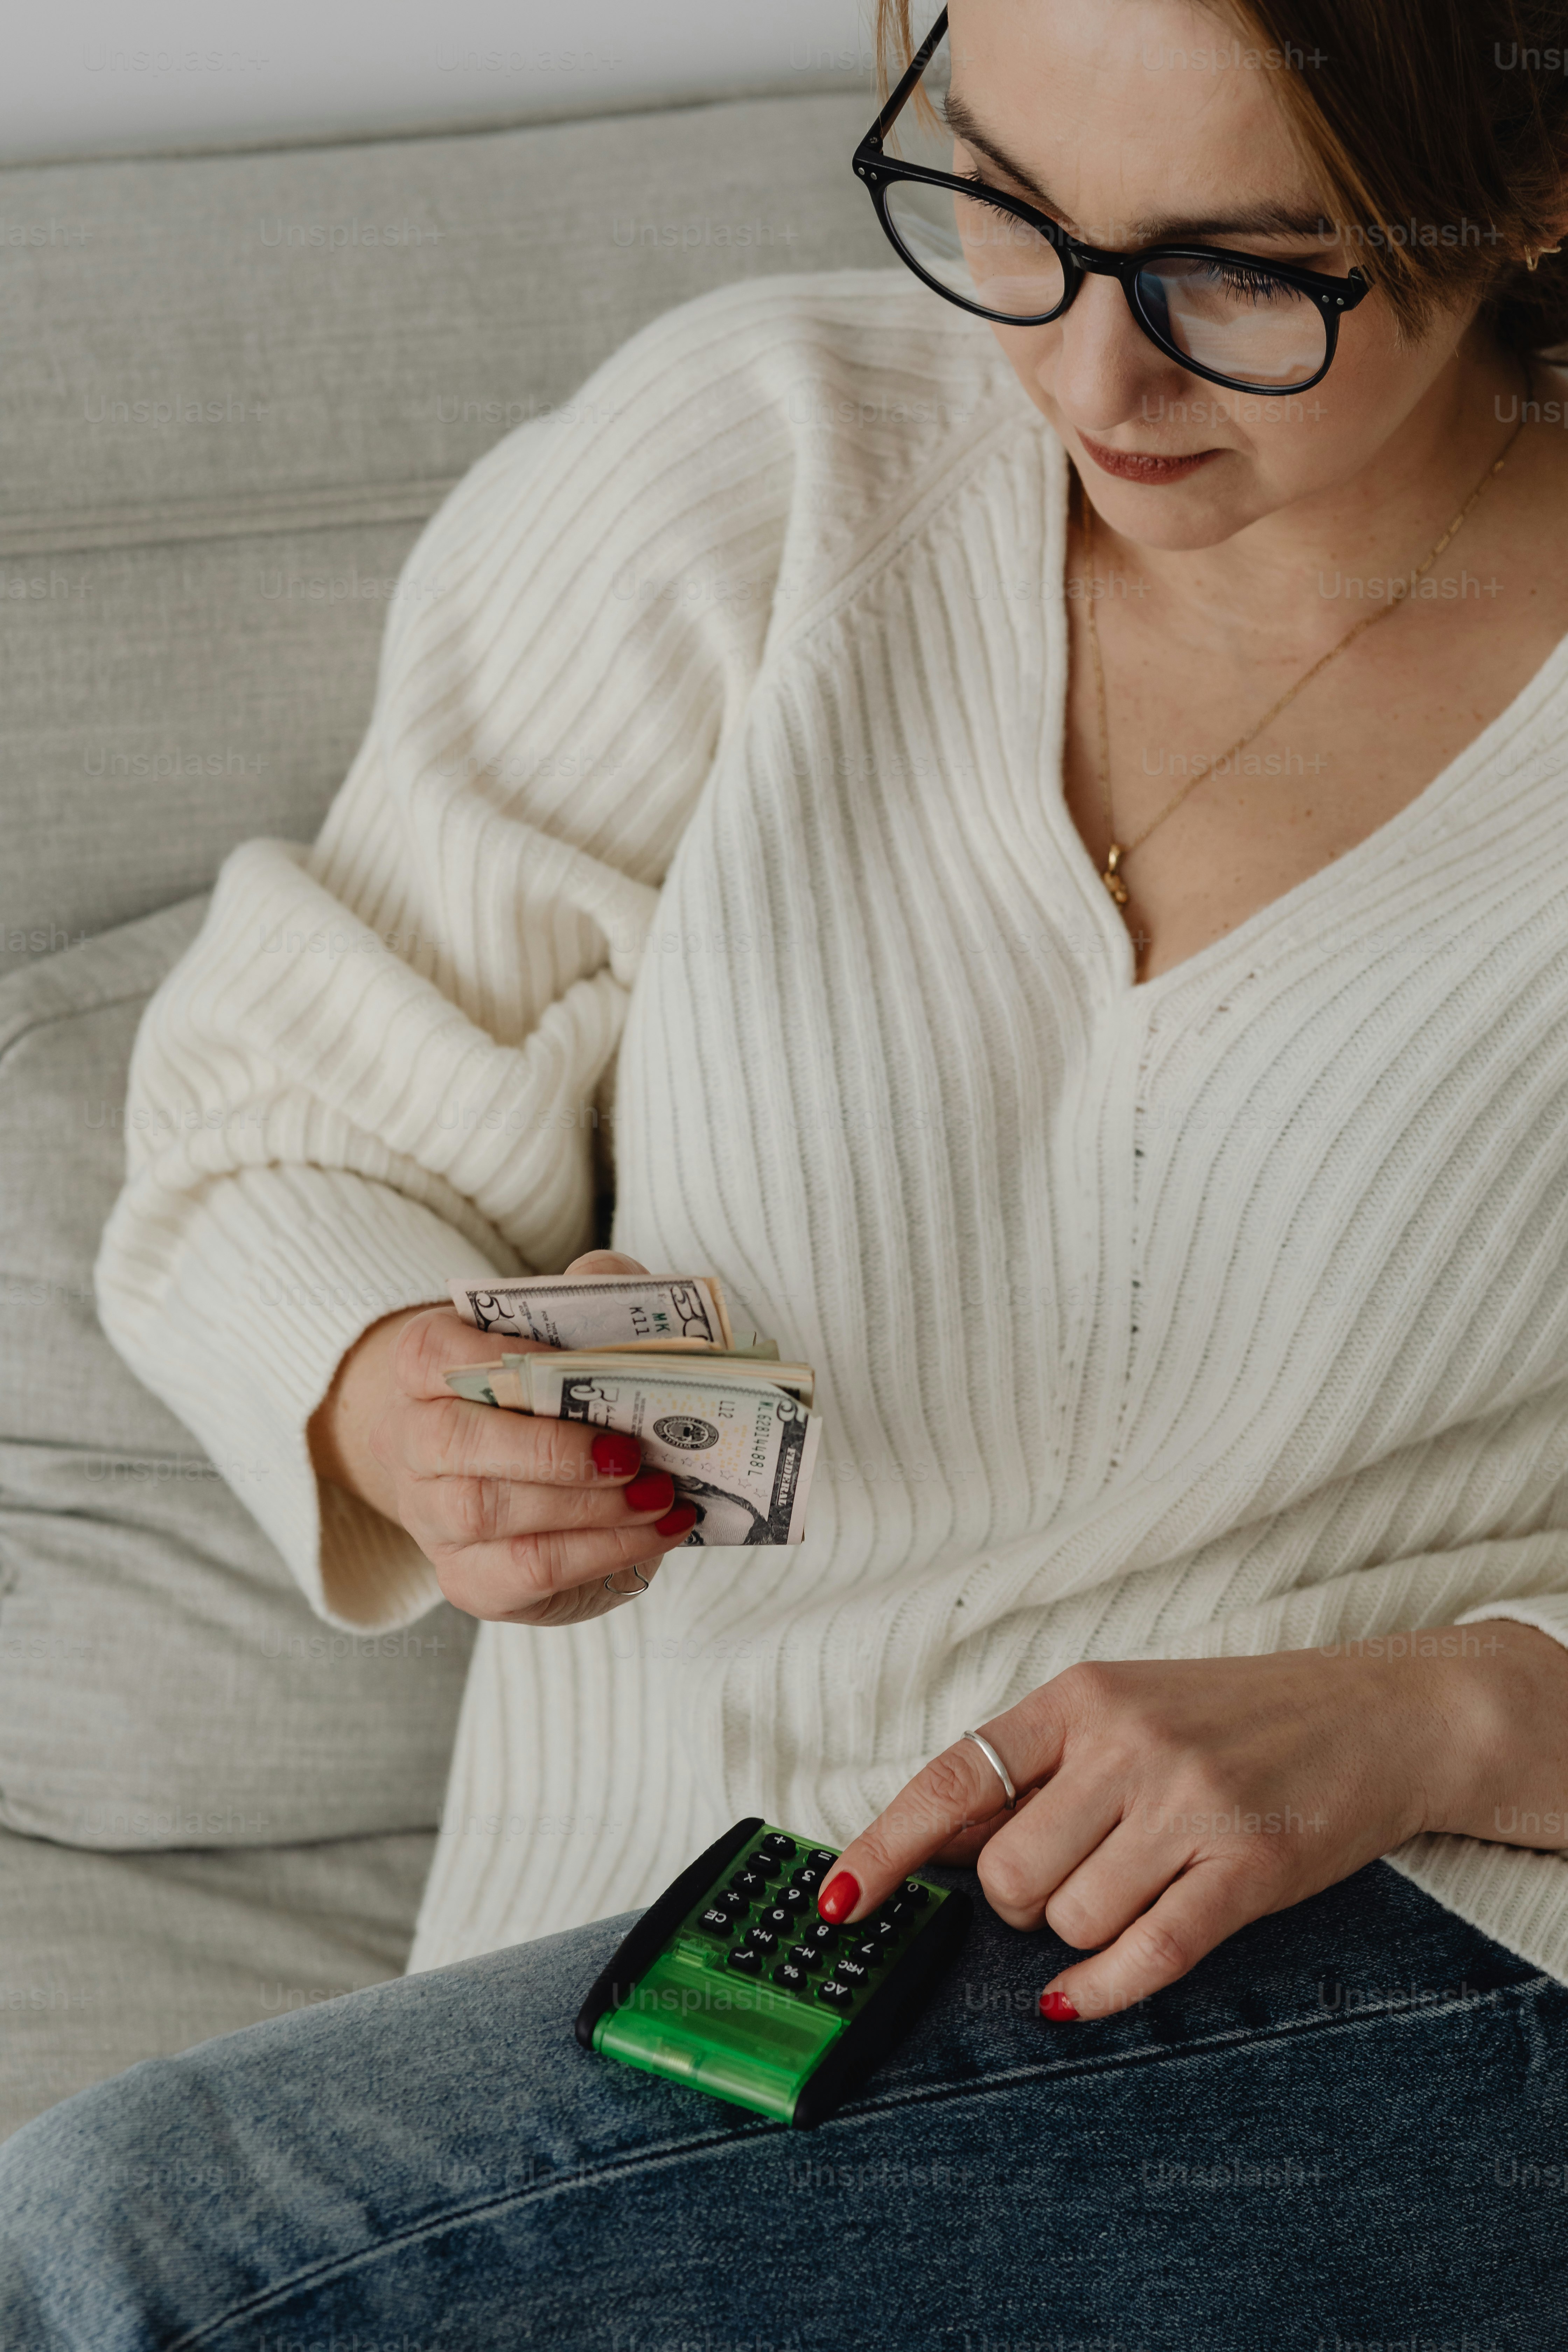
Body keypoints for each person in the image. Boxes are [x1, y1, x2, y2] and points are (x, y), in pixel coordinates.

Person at [7, 0, 1568, 2340]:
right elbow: (291, 1112)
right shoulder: (768, 470)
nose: (1090, 382)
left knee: (129, 2244)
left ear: (1532, 193)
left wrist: (1451, 1713)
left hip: (1408, 1963)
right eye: (1008, 208)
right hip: (639, 2007)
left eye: (1241, 275)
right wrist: (386, 1390)